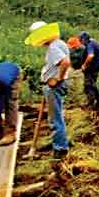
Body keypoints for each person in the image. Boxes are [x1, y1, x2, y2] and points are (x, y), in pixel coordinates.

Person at [27, 21, 71, 159]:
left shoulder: (53, 47)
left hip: (54, 86)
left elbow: (65, 62)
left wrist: (58, 78)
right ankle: (60, 145)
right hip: (55, 85)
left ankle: (60, 149)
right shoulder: (60, 43)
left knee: (55, 118)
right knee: (57, 115)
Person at [78, 30, 99, 110]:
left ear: (84, 39)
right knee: (93, 84)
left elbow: (91, 56)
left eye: (81, 40)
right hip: (96, 67)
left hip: (91, 69)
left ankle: (90, 104)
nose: (81, 42)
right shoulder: (94, 42)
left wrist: (84, 65)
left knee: (88, 85)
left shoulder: (89, 45)